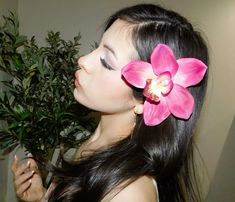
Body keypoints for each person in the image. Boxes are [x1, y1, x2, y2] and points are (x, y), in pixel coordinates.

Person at [11, 3, 209, 202]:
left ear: (147, 99)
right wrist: (41, 198)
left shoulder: (128, 193)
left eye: (106, 62)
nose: (83, 60)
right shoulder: (97, 144)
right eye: (98, 46)